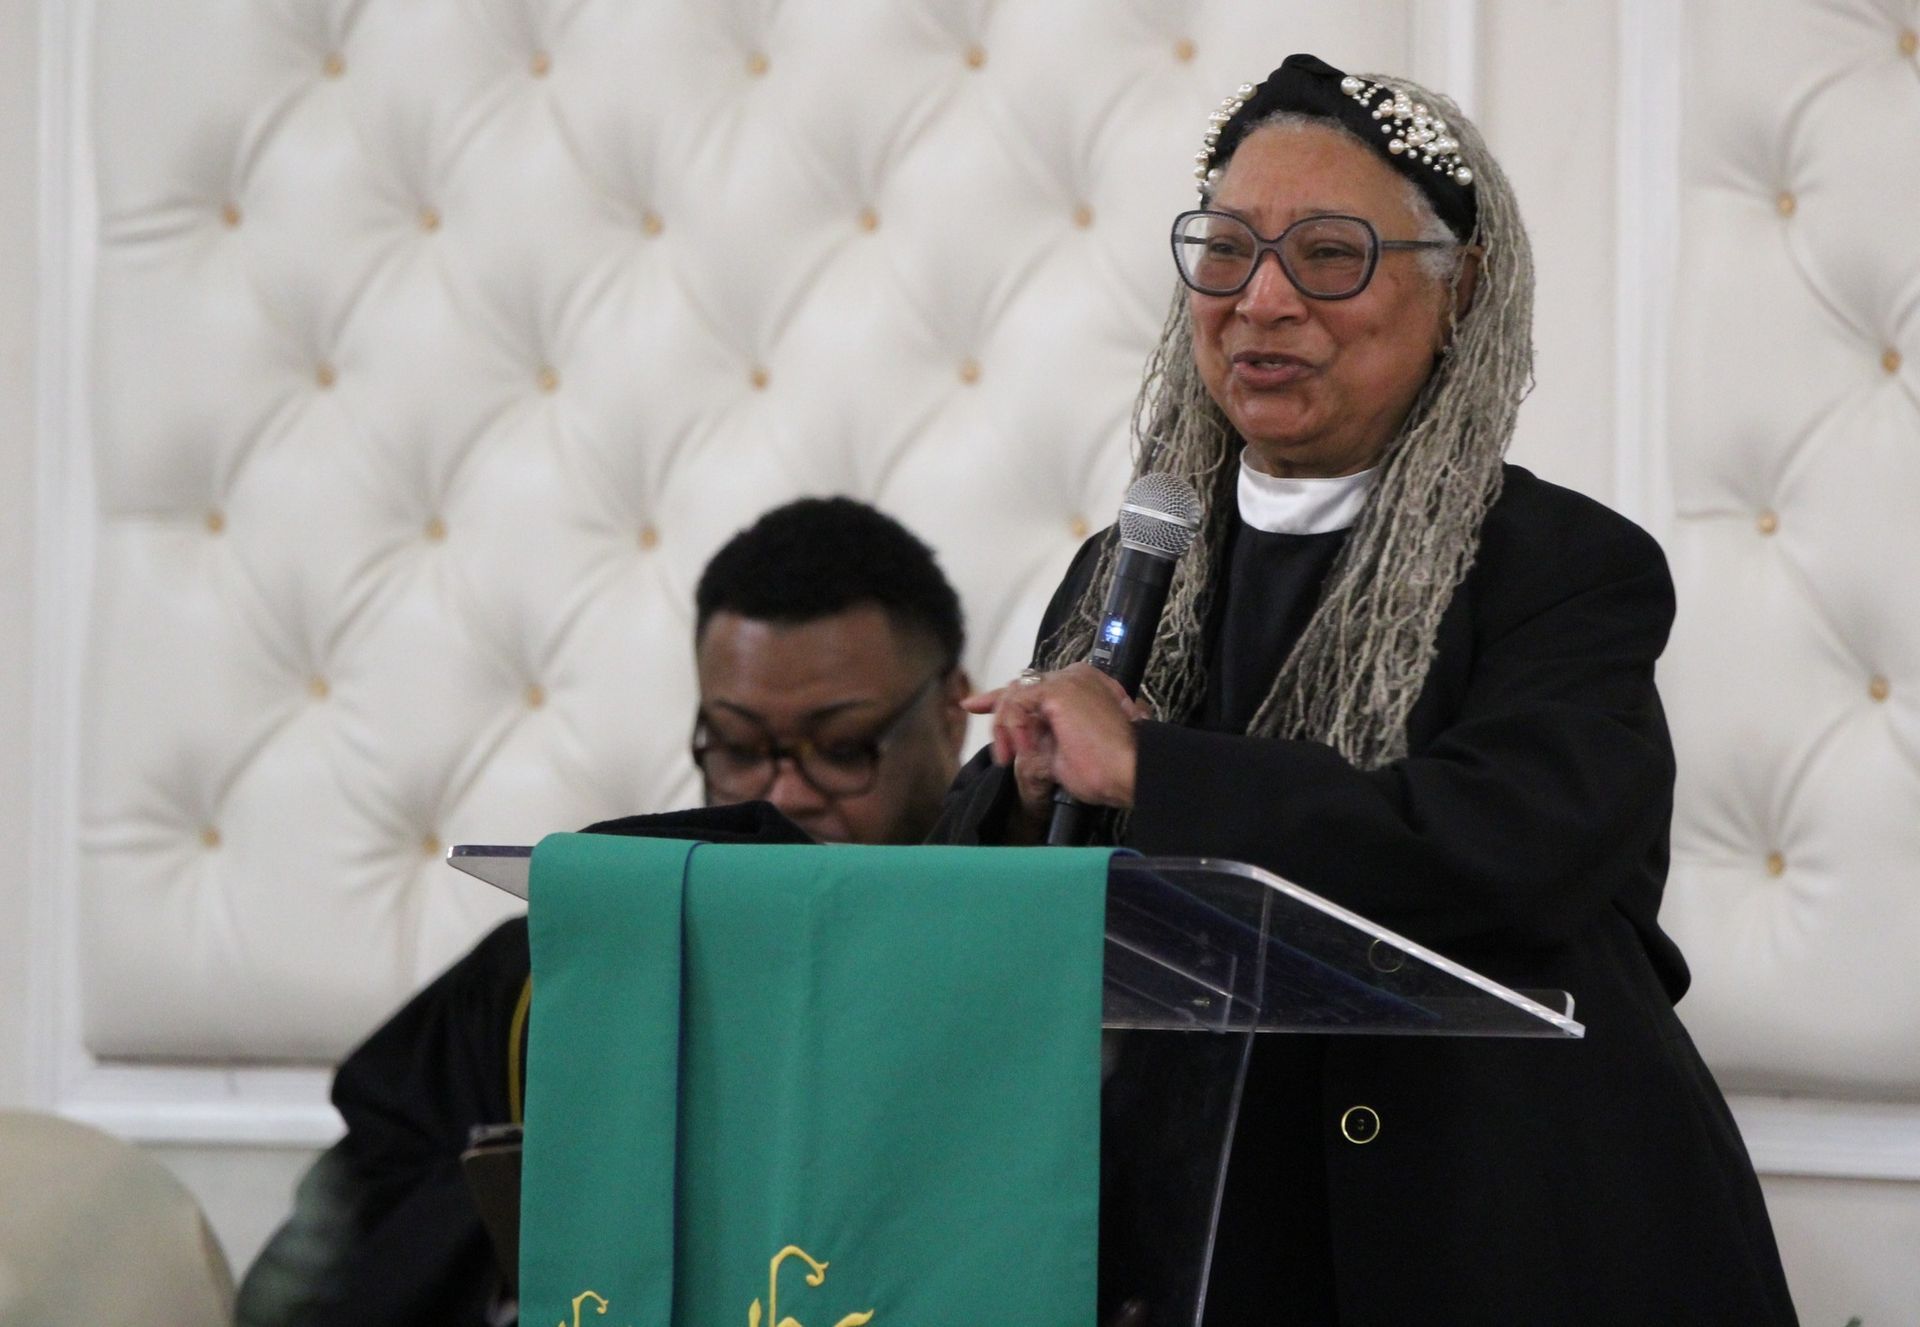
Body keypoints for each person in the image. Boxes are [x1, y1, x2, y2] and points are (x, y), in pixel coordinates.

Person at [937, 54, 1797, 1325]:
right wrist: (1023, 788)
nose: (1262, 300)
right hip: (1199, 1224)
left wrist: (1155, 771)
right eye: (1224, 251)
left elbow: (1510, 846)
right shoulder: (1140, 558)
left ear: (1463, 291)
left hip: (1503, 1228)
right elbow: (1008, 886)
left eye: (1329, 255)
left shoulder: (1566, 569)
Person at [236, 496, 971, 1327]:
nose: (784, 792)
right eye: (736, 746)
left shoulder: (1029, 977)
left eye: (842, 749)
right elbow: (305, 1286)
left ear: (954, 711)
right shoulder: (542, 982)